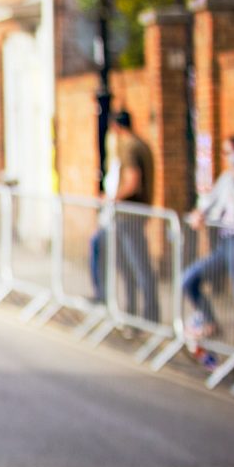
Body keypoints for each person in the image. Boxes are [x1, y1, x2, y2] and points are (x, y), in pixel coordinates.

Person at [90, 110, 159, 320]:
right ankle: (135, 312)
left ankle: (146, 314)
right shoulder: (141, 144)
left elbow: (132, 180)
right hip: (135, 213)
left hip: (128, 214)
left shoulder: (129, 147)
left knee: (135, 265)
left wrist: (113, 198)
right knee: (131, 264)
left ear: (116, 127)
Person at [181, 134, 234, 341]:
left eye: (228, 152)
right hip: (225, 243)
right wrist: (199, 214)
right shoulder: (226, 179)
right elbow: (208, 203)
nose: (226, 157)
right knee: (189, 279)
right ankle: (209, 321)